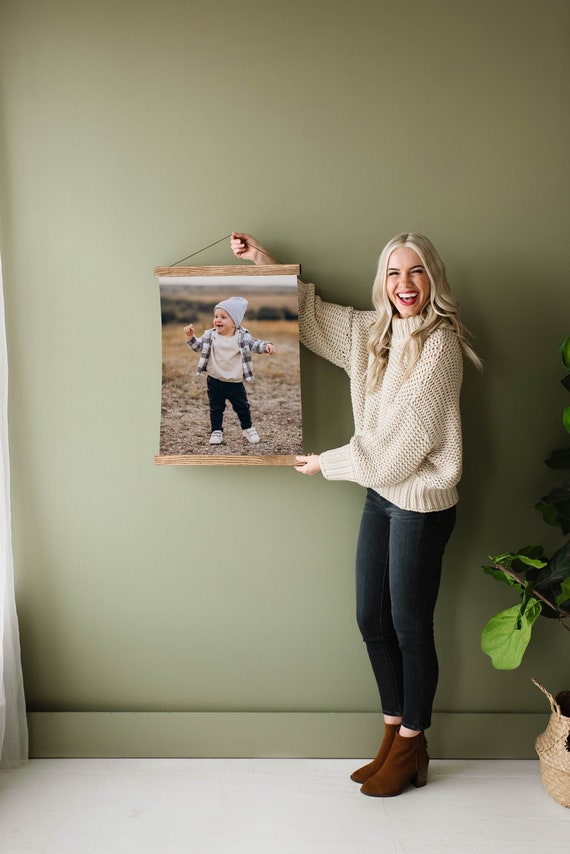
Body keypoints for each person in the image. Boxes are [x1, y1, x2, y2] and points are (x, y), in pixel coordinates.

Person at [231, 230, 482, 797]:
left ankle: (414, 742)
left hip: (420, 504)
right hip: (380, 496)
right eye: (394, 274)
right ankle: (393, 734)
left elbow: (400, 447)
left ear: (433, 278)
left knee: (410, 625)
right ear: (383, 282)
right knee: (371, 618)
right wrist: (263, 265)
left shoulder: (441, 346)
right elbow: (312, 315)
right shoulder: (371, 333)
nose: (405, 285)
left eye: (415, 271)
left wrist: (328, 463)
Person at [184, 295, 276, 445]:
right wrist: (190, 336)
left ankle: (247, 428)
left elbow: (255, 344)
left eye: (223, 317)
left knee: (243, 408)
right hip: (214, 380)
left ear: (235, 322)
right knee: (216, 408)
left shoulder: (242, 337)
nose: (217, 320)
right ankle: (216, 431)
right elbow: (197, 346)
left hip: (234, 382)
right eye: (216, 316)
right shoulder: (210, 335)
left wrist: (266, 346)